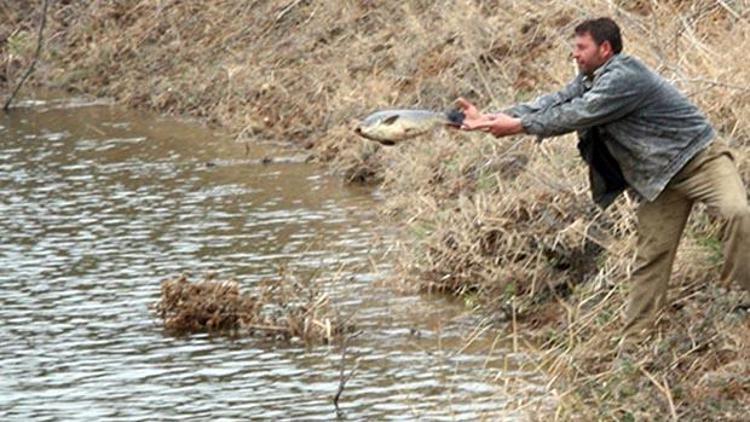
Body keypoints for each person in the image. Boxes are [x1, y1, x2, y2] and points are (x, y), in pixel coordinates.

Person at [456, 17, 750, 334]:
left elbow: (579, 113)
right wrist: (492, 118)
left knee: (738, 213)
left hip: (701, 159)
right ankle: (637, 337)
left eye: (582, 47)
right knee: (651, 258)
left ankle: (735, 303)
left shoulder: (625, 76)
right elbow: (556, 101)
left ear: (605, 48)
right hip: (660, 180)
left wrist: (519, 127)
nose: (575, 54)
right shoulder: (591, 78)